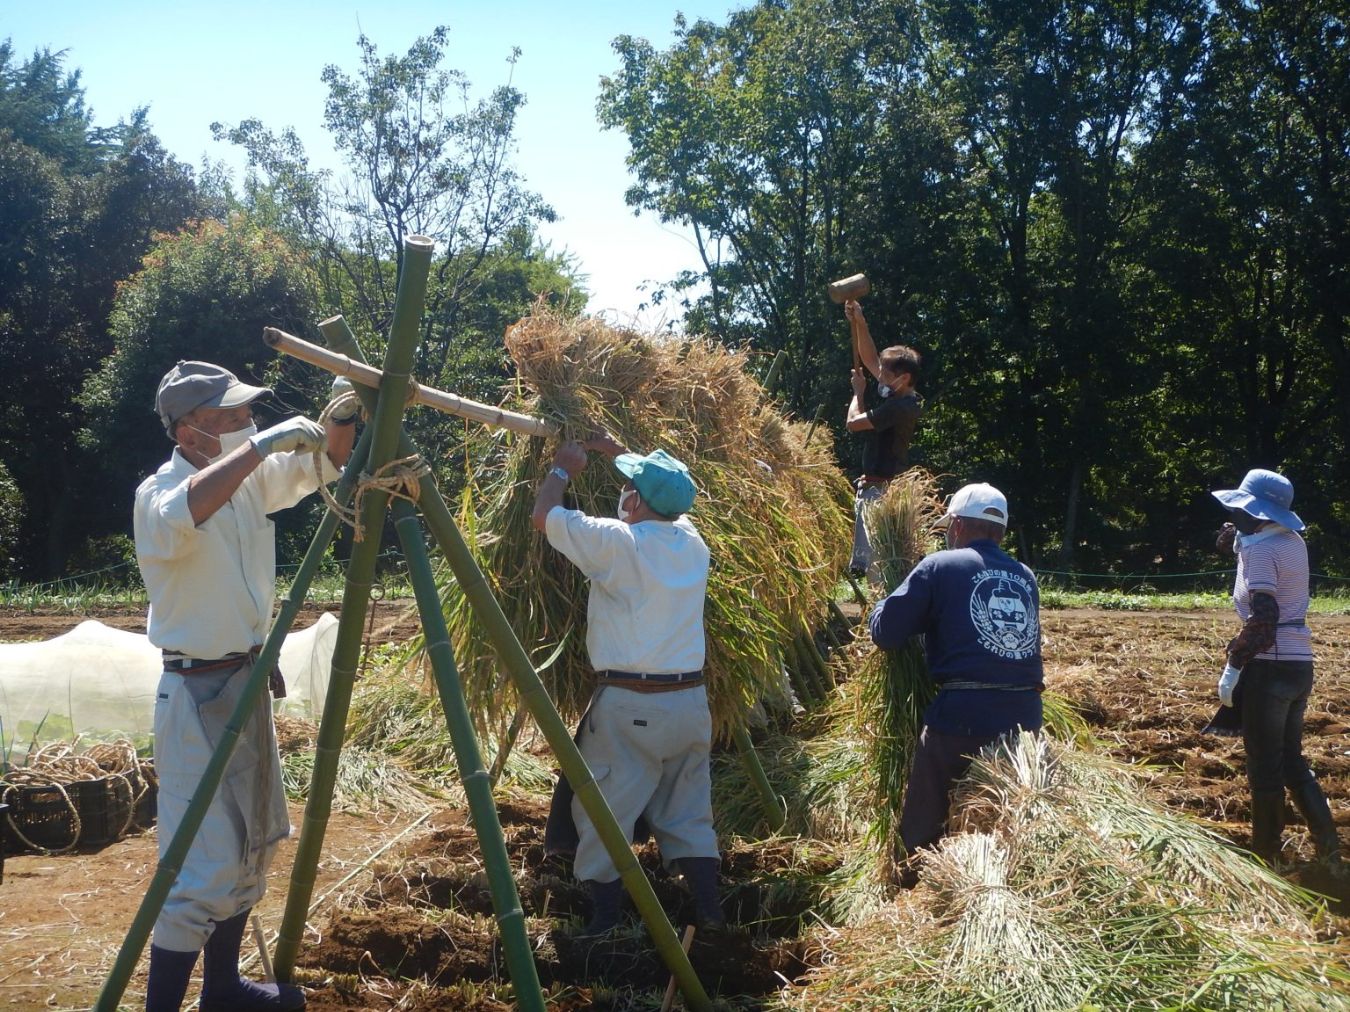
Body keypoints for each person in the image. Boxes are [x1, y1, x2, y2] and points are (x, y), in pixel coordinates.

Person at [133, 361, 357, 1011]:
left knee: (252, 844)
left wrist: (343, 415)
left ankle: (223, 987)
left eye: (248, 419)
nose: (249, 426)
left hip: (246, 680)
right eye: (233, 419)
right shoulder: (160, 493)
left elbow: (325, 465)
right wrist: (258, 446)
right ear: (191, 430)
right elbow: (188, 510)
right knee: (201, 868)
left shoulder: (250, 485)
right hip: (195, 694)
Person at [530, 436, 723, 937]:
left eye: (629, 489)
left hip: (633, 707)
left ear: (635, 501)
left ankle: (604, 923)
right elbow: (667, 497)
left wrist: (561, 470)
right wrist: (620, 452)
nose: (624, 496)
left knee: (603, 812)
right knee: (687, 810)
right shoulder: (693, 544)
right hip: (689, 705)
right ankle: (711, 913)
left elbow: (544, 517)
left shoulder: (617, 542)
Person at [869, 482, 1043, 859]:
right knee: (1003, 815)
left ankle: (914, 880)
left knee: (926, 815)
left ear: (959, 525)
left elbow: (887, 634)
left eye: (949, 526)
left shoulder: (941, 565)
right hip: (1026, 718)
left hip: (964, 714)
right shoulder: (1025, 575)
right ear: (1000, 531)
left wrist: (877, 606)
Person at [1211, 468, 1340, 866]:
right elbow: (1250, 545)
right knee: (1291, 759)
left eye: (1243, 509)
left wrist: (1234, 664)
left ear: (1259, 512)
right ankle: (1329, 849)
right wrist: (1234, 541)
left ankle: (1268, 854)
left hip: (1269, 667)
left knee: (1264, 766)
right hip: (1299, 665)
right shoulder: (1291, 542)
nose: (1236, 514)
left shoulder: (1262, 552)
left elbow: (1264, 618)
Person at [842, 299, 922, 579]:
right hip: (879, 486)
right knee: (878, 563)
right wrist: (859, 321)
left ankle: (882, 613)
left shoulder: (899, 408)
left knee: (878, 564)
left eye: (887, 374)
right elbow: (870, 358)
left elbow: (853, 424)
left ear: (904, 377)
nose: (881, 376)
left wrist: (858, 392)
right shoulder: (898, 392)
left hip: (881, 492)